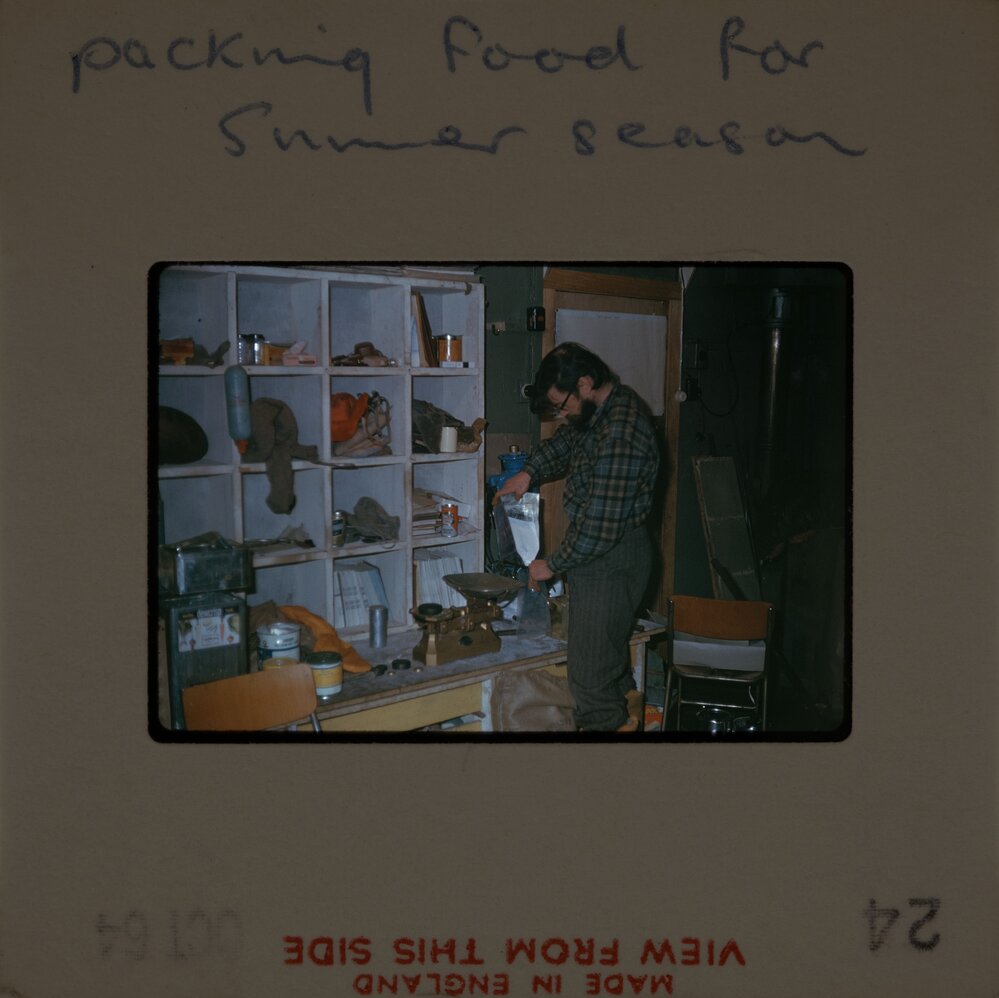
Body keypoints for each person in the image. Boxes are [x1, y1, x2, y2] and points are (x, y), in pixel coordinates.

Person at [493, 342, 661, 731]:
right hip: (601, 555)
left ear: (584, 384)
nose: (563, 414)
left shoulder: (621, 432)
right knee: (608, 665)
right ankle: (633, 720)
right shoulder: (600, 411)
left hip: (611, 558)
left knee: (588, 677)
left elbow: (599, 527)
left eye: (563, 404)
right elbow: (568, 441)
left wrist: (551, 564)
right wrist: (528, 472)